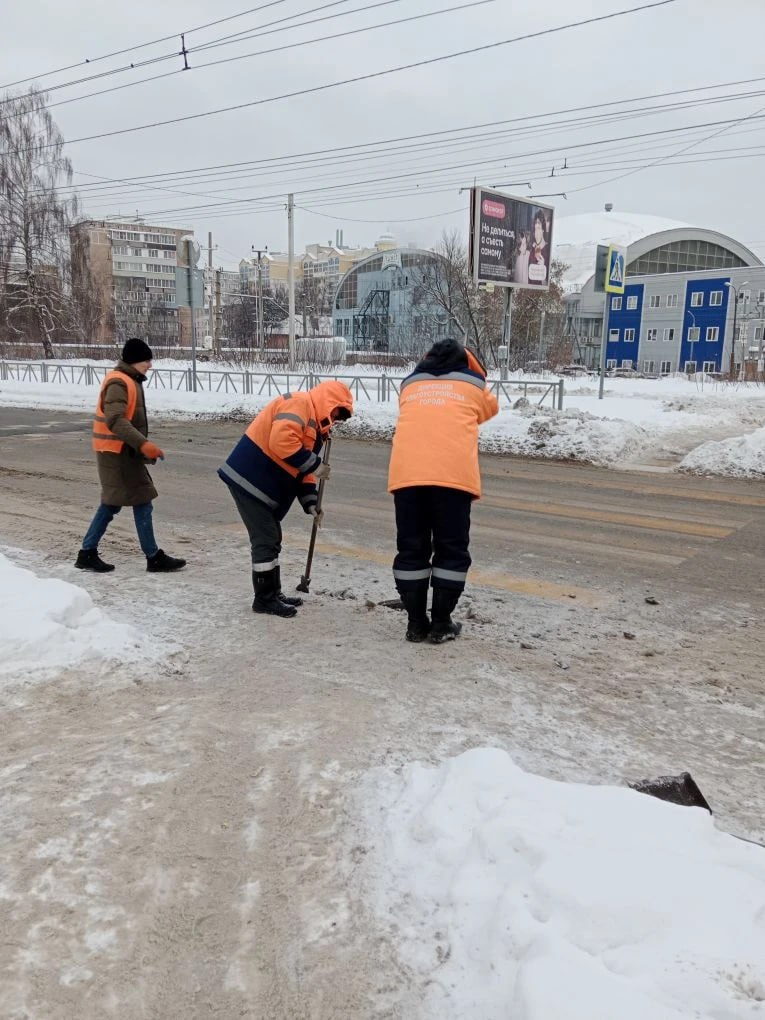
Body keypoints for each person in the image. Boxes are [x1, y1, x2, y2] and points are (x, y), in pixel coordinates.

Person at [387, 338, 499, 644]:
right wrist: (474, 370)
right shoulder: (474, 384)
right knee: (451, 548)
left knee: (412, 548)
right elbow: (490, 410)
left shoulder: (409, 385)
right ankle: (440, 624)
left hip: (407, 476)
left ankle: (415, 624)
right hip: (452, 478)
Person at [219, 380, 354, 618]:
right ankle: (264, 599)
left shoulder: (315, 427)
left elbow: (302, 470)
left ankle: (273, 592)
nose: (336, 419)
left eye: (340, 417)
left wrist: (311, 502)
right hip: (249, 479)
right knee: (265, 539)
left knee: (272, 537)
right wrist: (316, 465)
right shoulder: (300, 403)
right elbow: (281, 441)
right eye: (337, 412)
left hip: (260, 484)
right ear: (329, 402)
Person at [75, 338, 186, 574]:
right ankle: (92, 553)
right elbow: (115, 420)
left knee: (129, 501)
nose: (150, 365)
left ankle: (94, 552)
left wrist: (140, 445)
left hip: (122, 452)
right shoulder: (119, 381)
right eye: (147, 360)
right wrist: (143, 444)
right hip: (116, 453)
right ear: (135, 360)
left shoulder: (128, 380)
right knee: (124, 502)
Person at [528, 209, 550, 285]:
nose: (536, 233)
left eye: (538, 228)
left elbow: (546, 283)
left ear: (543, 229)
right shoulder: (532, 250)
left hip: (541, 291)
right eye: (535, 229)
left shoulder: (547, 250)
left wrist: (542, 269)